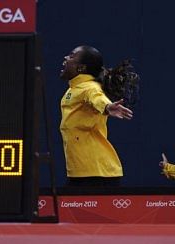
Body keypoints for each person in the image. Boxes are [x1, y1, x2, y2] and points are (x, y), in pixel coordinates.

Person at [59, 45, 139, 187]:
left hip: (97, 174)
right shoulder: (74, 89)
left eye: (71, 56)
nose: (66, 58)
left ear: (81, 68)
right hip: (81, 172)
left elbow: (97, 98)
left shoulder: (89, 87)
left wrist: (107, 107)